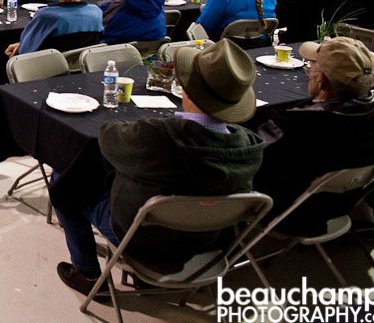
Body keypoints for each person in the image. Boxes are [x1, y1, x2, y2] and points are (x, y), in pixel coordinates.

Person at [52, 39, 264, 297]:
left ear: (184, 90)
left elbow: (108, 139)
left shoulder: (155, 136)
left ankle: (87, 273)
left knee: (65, 179)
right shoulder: (250, 146)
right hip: (206, 239)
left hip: (140, 238)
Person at [250, 37, 374, 234]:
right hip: (344, 204)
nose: (309, 70)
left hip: (289, 213)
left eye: (312, 65)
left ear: (321, 80)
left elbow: (251, 168)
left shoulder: (295, 126)